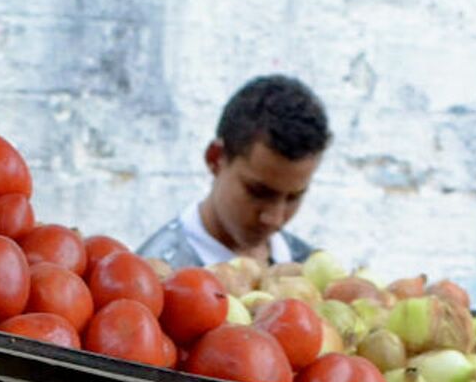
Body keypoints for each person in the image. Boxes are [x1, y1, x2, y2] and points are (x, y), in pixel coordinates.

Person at [138, 75, 331, 268]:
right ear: (216, 159)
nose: (275, 219)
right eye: (258, 192)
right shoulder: (154, 280)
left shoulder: (307, 266)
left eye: (293, 198)